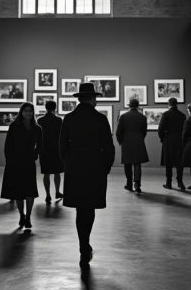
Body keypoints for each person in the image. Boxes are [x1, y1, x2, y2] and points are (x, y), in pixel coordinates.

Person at [60, 83, 115, 269]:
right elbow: (109, 147)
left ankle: (84, 245)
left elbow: (62, 147)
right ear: (93, 98)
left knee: (80, 208)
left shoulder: (68, 118)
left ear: (79, 99)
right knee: (88, 207)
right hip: (94, 166)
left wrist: (68, 164)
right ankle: (85, 245)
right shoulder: (100, 119)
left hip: (75, 166)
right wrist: (105, 168)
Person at [0, 102, 42, 229]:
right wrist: (9, 160)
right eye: (26, 111)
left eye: (30, 111)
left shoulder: (37, 128)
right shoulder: (14, 126)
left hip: (29, 162)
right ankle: (21, 215)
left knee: (30, 191)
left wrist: (34, 155)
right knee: (18, 192)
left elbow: (40, 145)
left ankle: (28, 217)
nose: (28, 113)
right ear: (21, 112)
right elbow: (8, 145)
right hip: (15, 162)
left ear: (33, 112)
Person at [116, 98, 149, 193]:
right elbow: (144, 131)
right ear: (138, 106)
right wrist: (140, 139)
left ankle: (129, 184)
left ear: (129, 105)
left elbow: (119, 131)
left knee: (127, 164)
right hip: (138, 141)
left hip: (126, 142)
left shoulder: (123, 116)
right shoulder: (142, 117)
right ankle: (137, 184)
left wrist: (120, 141)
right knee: (137, 164)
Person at [38, 100, 64, 204]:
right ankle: (57, 191)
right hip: (56, 150)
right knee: (57, 173)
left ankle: (48, 194)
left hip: (44, 150)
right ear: (55, 107)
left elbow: (39, 136)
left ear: (46, 108)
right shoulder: (59, 120)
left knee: (46, 173)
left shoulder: (40, 120)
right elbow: (61, 136)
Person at [158, 97, 187, 190]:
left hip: (168, 140)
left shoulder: (166, 114)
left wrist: (163, 138)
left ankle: (168, 182)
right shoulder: (182, 115)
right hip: (179, 140)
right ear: (176, 104)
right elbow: (184, 129)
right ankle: (180, 182)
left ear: (169, 104)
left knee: (168, 162)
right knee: (179, 162)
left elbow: (160, 129)